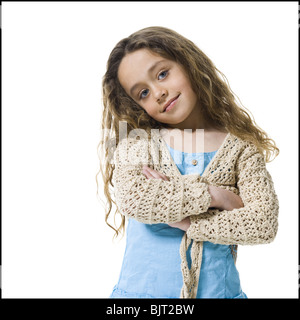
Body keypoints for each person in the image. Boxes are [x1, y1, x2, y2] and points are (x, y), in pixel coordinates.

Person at [96, 26, 279, 298]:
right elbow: (136, 199)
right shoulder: (138, 143)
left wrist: (191, 224)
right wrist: (216, 196)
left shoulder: (241, 149)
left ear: (189, 64)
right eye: (143, 93)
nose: (158, 92)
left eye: (162, 74)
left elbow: (263, 222)